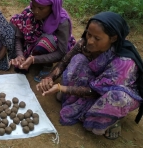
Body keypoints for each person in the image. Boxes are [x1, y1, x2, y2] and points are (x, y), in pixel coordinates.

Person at [36, 12, 143, 140]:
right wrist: (49, 78)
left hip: (116, 91)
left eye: (97, 38)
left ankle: (114, 119)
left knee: (117, 98)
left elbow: (95, 91)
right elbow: (64, 62)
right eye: (89, 34)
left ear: (113, 38)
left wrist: (61, 88)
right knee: (78, 59)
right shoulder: (85, 43)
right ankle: (72, 98)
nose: (90, 41)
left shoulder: (124, 62)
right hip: (96, 82)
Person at [10, 0, 76, 82]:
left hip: (51, 48)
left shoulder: (62, 22)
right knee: (14, 23)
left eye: (41, 8)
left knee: (47, 41)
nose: (35, 11)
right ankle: (25, 55)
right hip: (32, 45)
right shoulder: (29, 12)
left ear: (52, 7)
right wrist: (19, 54)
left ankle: (46, 65)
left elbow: (61, 52)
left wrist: (34, 59)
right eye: (34, 6)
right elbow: (19, 36)